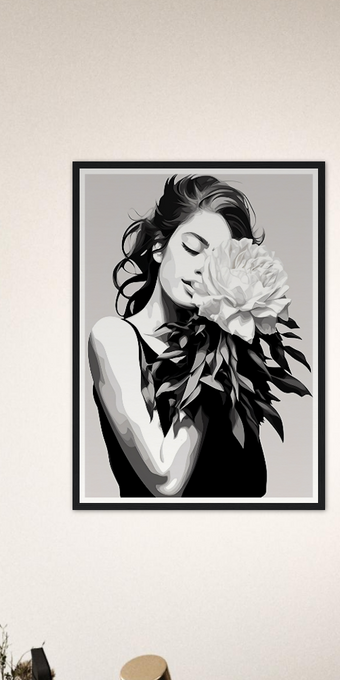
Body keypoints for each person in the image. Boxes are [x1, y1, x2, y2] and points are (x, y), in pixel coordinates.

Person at [88, 175, 269, 499]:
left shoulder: (230, 352)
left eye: (219, 262)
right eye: (192, 249)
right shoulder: (114, 337)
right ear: (159, 246)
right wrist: (207, 352)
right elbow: (165, 480)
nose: (204, 270)